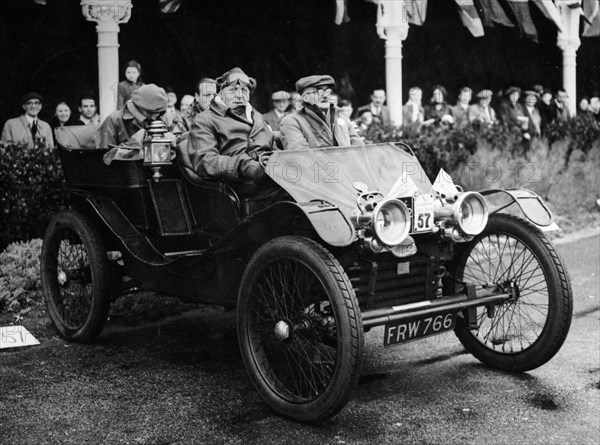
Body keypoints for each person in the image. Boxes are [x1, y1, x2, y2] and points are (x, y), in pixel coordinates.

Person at [188, 67, 278, 199]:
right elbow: (205, 161)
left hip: (270, 180)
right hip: (236, 187)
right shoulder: (204, 119)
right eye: (232, 90)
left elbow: (273, 148)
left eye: (244, 90)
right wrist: (242, 164)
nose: (240, 95)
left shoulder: (258, 117)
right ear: (220, 93)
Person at [280, 75, 363, 150]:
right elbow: (302, 156)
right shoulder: (291, 121)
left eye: (327, 91)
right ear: (305, 97)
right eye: (318, 92)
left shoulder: (342, 118)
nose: (325, 95)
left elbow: (361, 149)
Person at [96, 83, 168, 148]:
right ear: (138, 106)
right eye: (150, 113)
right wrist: (133, 144)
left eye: (158, 113)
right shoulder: (114, 120)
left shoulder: (163, 119)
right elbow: (105, 156)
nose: (154, 117)